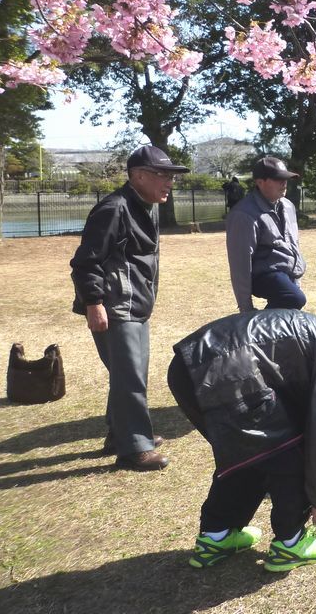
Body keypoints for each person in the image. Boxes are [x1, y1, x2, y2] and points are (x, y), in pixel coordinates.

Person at [167, 309, 316, 572]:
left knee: (249, 455)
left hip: (189, 369)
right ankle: (291, 543)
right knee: (287, 453)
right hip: (225, 370)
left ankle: (216, 537)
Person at [70, 144, 190, 471]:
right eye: (162, 174)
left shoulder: (147, 206)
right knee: (130, 378)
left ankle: (118, 435)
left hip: (136, 305)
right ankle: (134, 449)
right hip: (115, 307)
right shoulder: (114, 209)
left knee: (129, 375)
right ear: (138, 176)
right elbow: (85, 262)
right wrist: (94, 303)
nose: (169, 182)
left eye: (172, 176)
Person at [226, 157, 306, 312]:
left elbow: (294, 245)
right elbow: (240, 263)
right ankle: (254, 323)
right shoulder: (244, 214)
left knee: (291, 306)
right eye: (277, 179)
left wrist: (296, 282)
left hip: (285, 274)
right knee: (295, 298)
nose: (284, 183)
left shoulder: (288, 206)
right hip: (262, 275)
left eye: (285, 178)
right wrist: (246, 307)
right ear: (260, 182)